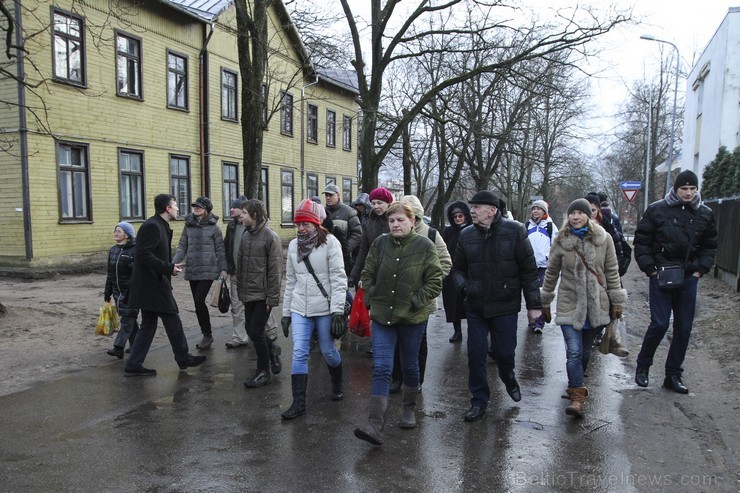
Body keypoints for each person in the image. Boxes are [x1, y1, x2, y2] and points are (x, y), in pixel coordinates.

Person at [354, 202, 443, 445]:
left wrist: (416, 301)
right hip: (383, 315)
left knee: (409, 365)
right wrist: (372, 296)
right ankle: (375, 425)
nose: (395, 224)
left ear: (412, 221)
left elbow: (435, 281)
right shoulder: (380, 244)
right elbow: (367, 273)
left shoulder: (424, 246)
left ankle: (408, 409)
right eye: (392, 221)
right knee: (382, 367)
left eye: (400, 220)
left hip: (412, 318)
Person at [450, 190, 542, 422]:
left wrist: (534, 307)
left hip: (505, 305)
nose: (472, 211)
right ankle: (479, 400)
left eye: (477, 207)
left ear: (492, 211)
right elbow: (457, 269)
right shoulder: (467, 235)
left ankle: (508, 376)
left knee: (503, 353)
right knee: (476, 353)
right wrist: (464, 287)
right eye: (471, 207)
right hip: (476, 305)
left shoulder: (515, 231)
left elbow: (529, 272)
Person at [539, 198, 627, 418]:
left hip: (597, 305)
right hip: (570, 303)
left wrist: (617, 301)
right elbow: (551, 273)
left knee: (585, 352)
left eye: (580, 213)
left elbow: (612, 271)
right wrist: (545, 300)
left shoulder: (603, 239)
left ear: (589, 215)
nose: (575, 217)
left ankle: (575, 382)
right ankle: (578, 398)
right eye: (572, 213)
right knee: (574, 351)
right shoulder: (561, 241)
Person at [633, 170, 717, 394]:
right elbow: (642, 241)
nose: (688, 193)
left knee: (684, 328)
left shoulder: (705, 213)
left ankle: (673, 374)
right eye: (684, 189)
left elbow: (710, 245)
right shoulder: (657, 210)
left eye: (692, 189)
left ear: (697, 189)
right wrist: (650, 269)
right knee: (659, 324)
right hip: (662, 274)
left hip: (689, 276)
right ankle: (643, 366)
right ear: (676, 189)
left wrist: (700, 270)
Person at [124, 194, 206, 376]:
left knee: (149, 324)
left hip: (152, 283)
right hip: (152, 284)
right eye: (175, 206)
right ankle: (183, 357)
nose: (178, 209)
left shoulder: (159, 225)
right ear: (167, 209)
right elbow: (143, 254)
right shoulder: (152, 226)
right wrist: (168, 268)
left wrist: (168, 268)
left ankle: (133, 364)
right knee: (171, 317)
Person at [280, 199, 348, 419]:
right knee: (300, 351)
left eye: (306, 224)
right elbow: (290, 280)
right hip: (300, 306)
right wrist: (286, 313)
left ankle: (337, 382)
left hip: (325, 307)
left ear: (317, 223)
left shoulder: (331, 243)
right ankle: (298, 403)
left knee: (328, 350)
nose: (301, 228)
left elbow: (339, 279)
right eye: (298, 224)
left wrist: (337, 310)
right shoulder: (292, 246)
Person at [388, 194, 451, 393]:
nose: (398, 222)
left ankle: (416, 380)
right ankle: (397, 377)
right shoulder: (393, 234)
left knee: (418, 341)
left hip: (421, 300)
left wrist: (426, 285)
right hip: (395, 299)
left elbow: (445, 263)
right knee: (397, 340)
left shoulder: (431, 234)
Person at [236, 199, 283, 388]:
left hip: (262, 295)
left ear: (254, 215)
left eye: (244, 213)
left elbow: (276, 271)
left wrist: (272, 298)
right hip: (248, 293)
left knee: (255, 331)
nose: (241, 216)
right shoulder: (246, 235)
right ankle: (273, 351)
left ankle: (264, 371)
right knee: (250, 329)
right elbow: (241, 265)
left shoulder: (271, 237)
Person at [173, 196, 228, 351]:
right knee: (197, 303)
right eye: (195, 206)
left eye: (200, 206)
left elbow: (220, 250)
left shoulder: (214, 228)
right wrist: (172, 264)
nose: (196, 208)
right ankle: (206, 334)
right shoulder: (188, 226)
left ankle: (207, 334)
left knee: (199, 299)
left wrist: (223, 270)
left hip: (209, 269)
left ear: (206, 210)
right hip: (192, 269)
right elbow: (182, 246)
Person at [103, 221, 139, 358]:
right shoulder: (113, 250)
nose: (115, 233)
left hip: (131, 292)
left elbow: (138, 273)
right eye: (115, 231)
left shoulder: (135, 250)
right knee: (129, 318)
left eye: (119, 231)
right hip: (117, 291)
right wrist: (108, 292)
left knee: (127, 318)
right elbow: (110, 274)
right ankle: (136, 345)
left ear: (127, 234)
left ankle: (118, 347)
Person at [348, 187, 393, 287]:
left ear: (388, 203)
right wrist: (353, 275)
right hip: (373, 271)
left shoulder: (395, 222)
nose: (376, 206)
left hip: (392, 272)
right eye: (373, 203)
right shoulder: (369, 223)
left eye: (379, 203)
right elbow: (363, 250)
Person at [525, 200, 558, 334]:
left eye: (539, 209)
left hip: (543, 266)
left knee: (541, 294)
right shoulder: (527, 226)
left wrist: (547, 257)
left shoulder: (550, 226)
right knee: (529, 293)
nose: (535, 211)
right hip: (529, 266)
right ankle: (531, 319)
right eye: (534, 209)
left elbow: (555, 245)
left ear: (544, 211)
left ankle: (539, 322)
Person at [442, 201, 472, 343]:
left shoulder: (473, 229)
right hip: (451, 271)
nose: (459, 219)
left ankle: (474, 332)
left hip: (469, 271)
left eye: (461, 216)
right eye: (455, 217)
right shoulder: (448, 232)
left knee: (471, 303)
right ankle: (457, 331)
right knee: (453, 303)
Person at [223, 195, 250, 348]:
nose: (231, 209)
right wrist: (226, 268)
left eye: (235, 207)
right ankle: (239, 337)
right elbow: (227, 247)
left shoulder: (253, 225)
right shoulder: (231, 226)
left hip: (251, 275)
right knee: (236, 307)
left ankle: (269, 332)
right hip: (235, 274)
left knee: (255, 306)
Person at [323, 184, 363, 269]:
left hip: (343, 257)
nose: (328, 198)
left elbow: (357, 233)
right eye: (326, 195)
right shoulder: (323, 212)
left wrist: (347, 248)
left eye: (331, 195)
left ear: (338, 195)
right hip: (325, 254)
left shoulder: (348, 212)